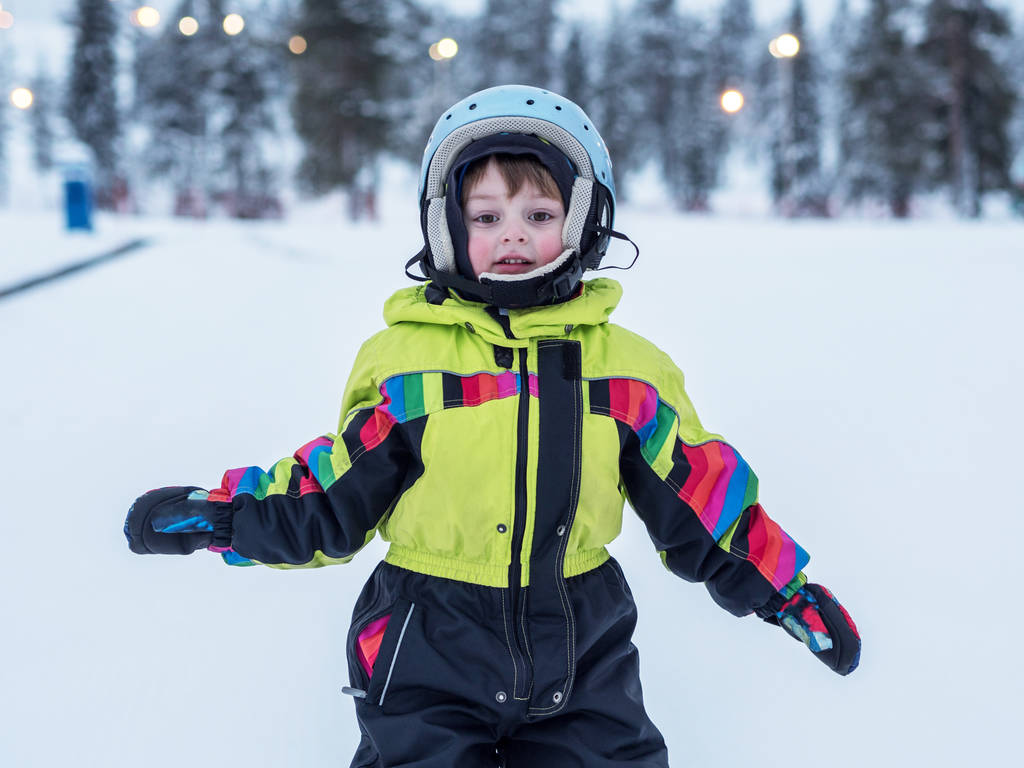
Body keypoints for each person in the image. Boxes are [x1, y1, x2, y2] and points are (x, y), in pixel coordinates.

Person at [124, 85, 860, 768]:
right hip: (427, 639)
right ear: (447, 226)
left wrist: (782, 589)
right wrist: (224, 517)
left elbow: (700, 496)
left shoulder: (628, 372)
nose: (513, 235)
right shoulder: (407, 365)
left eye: (539, 216)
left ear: (582, 222)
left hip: (583, 642)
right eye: (486, 217)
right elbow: (332, 491)